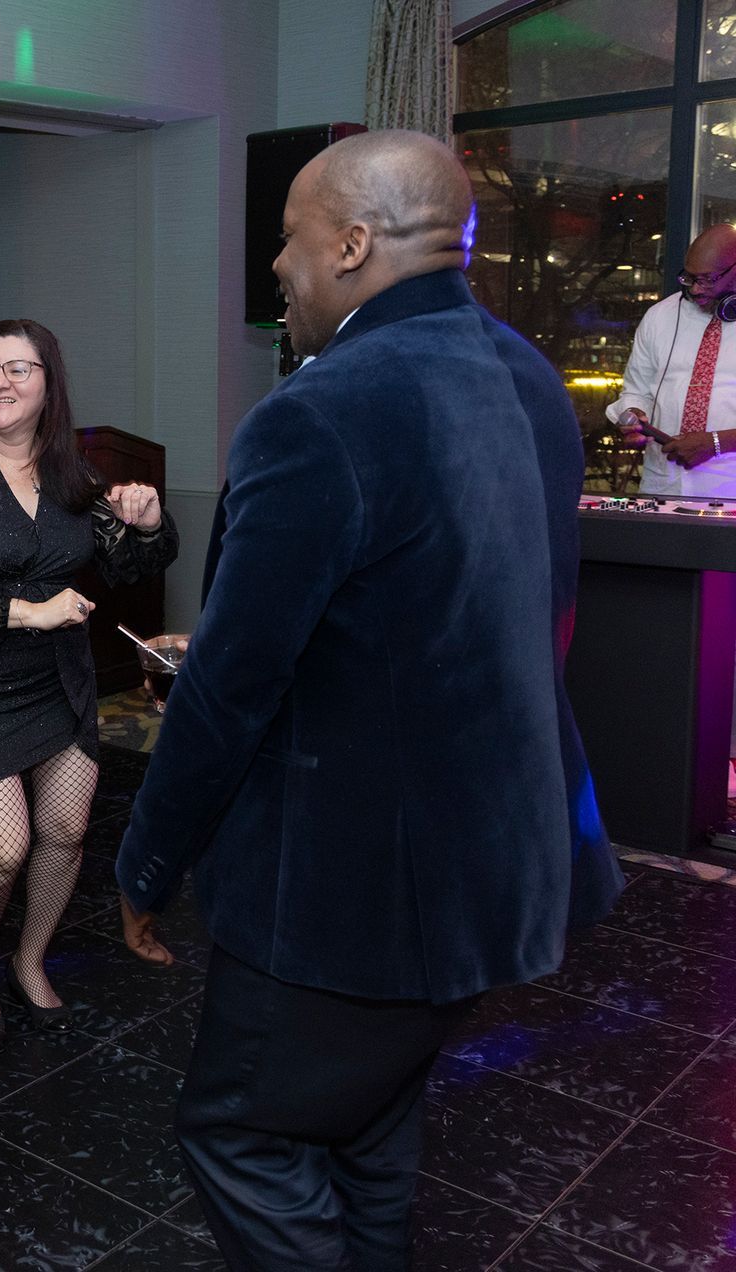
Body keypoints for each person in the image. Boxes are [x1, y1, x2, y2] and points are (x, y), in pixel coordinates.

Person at [113, 131, 625, 1270]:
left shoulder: (320, 409)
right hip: (501, 869)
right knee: (371, 1121)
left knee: (240, 1130)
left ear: (350, 244)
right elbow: (475, 606)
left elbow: (232, 690)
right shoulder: (532, 376)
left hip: (354, 897)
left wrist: (147, 868)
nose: (278, 274)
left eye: (289, 244)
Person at [0, 318, 177, 1055]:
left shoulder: (73, 474)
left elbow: (125, 563)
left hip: (58, 679)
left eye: (18, 369)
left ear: (48, 383)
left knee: (64, 833)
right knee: (1, 848)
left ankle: (29, 958)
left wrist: (146, 523)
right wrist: (33, 611)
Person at [610, 223, 736, 497]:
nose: (697, 289)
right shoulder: (660, 317)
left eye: (708, 279)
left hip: (730, 492)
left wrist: (715, 442)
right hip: (661, 487)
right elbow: (636, 390)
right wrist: (633, 415)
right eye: (689, 278)